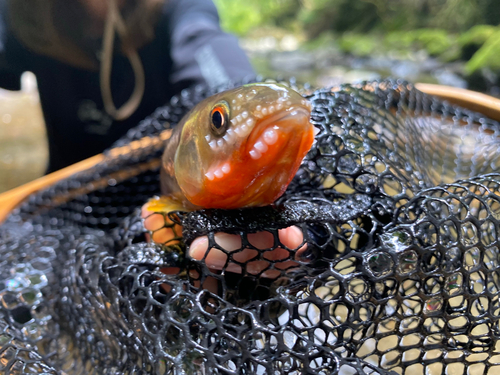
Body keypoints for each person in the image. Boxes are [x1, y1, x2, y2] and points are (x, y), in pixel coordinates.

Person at [0, 0, 254, 172]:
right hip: (64, 196)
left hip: (155, 191)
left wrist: (242, 104)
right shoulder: (20, 13)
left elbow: (203, 41)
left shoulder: (180, 7)